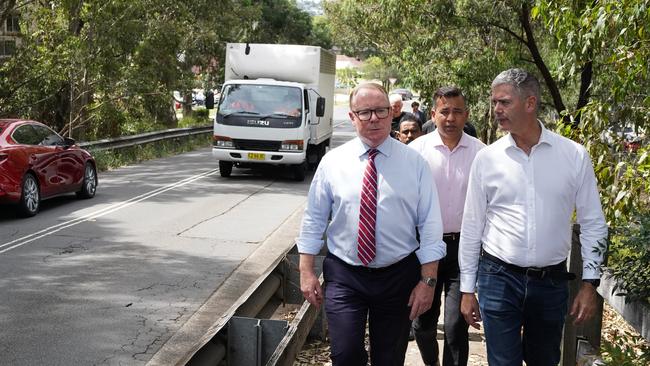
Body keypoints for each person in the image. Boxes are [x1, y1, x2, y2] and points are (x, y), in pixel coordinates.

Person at [459, 68, 608, 365]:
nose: (496, 110)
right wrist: (467, 288)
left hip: (551, 282)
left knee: (545, 360)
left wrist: (590, 285)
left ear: (529, 103)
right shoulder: (487, 159)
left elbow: (593, 222)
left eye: (504, 102)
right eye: (494, 102)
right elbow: (472, 224)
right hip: (498, 278)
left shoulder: (573, 155)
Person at [297, 82, 446, 366]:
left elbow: (430, 224)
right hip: (345, 275)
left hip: (398, 276)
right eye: (364, 112)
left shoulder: (415, 164)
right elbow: (314, 218)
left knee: (389, 359)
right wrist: (306, 271)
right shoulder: (333, 163)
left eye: (380, 110)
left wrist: (428, 280)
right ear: (352, 117)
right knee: (346, 354)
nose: (374, 118)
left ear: (392, 114)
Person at [409, 86, 486, 366]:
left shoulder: (481, 153)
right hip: (424, 249)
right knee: (422, 324)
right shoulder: (416, 152)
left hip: (463, 249)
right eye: (444, 111)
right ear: (433, 114)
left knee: (456, 326)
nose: (450, 118)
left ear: (466, 115)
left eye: (457, 112)